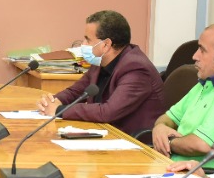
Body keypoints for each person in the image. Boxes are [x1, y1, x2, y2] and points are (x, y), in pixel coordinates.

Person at [36, 10, 165, 135]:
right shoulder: (100, 62)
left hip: (133, 141)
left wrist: (59, 110)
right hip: (106, 132)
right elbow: (75, 92)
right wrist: (52, 101)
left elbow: (108, 112)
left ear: (106, 45)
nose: (83, 44)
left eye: (88, 40)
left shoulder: (136, 69)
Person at [151, 22, 214, 171]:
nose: (194, 56)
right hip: (170, 166)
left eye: (202, 50)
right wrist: (160, 128)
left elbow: (201, 145)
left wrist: (167, 141)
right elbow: (168, 118)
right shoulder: (209, 81)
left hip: (201, 177)